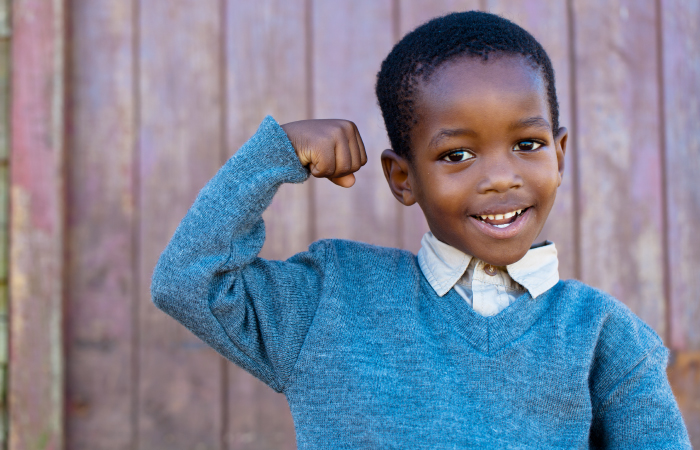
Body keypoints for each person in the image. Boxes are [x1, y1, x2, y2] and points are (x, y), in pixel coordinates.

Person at [151, 11, 690, 449]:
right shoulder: (331, 301)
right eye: (458, 154)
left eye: (528, 145)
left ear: (560, 155)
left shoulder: (605, 336)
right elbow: (188, 283)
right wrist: (274, 157)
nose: (502, 178)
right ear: (403, 178)